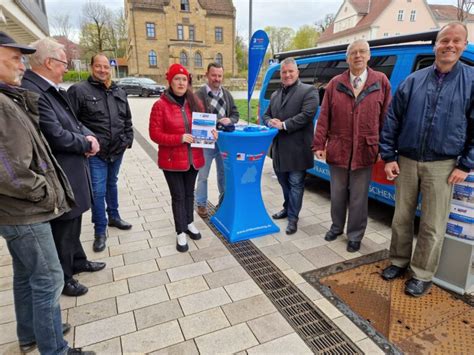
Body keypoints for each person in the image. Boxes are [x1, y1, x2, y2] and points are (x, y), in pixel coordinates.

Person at [0, 32, 93, 355]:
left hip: (20, 208)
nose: (21, 63)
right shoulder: (3, 104)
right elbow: (11, 171)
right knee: (49, 278)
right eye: (14, 57)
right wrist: (46, 194)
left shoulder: (10, 96)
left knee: (26, 275)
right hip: (25, 210)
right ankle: (55, 348)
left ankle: (31, 333)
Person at [379, 22, 474, 297]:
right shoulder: (414, 80)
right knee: (401, 217)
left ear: (463, 45)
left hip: (443, 166)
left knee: (433, 224)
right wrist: (388, 156)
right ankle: (398, 261)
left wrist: (466, 163)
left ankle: (421, 274)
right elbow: (392, 120)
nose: (450, 45)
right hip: (406, 160)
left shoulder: (471, 81)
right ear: (436, 45)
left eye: (457, 41)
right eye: (445, 40)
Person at [22, 38, 106, 297]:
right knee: (64, 227)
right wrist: (84, 142)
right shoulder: (35, 92)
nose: (66, 69)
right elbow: (55, 134)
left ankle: (78, 261)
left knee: (75, 221)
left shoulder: (51, 89)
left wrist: (89, 137)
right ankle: (65, 277)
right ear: (49, 63)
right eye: (64, 63)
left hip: (73, 169)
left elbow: (73, 122)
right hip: (61, 172)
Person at [312, 39, 391, 252]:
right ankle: (336, 226)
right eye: (353, 52)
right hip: (339, 147)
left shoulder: (381, 81)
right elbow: (324, 116)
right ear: (347, 58)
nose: (357, 56)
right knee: (337, 193)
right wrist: (319, 143)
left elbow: (386, 118)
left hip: (366, 150)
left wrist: (386, 149)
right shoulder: (335, 83)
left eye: (362, 52)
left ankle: (355, 235)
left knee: (358, 196)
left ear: (368, 56)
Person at [68, 53, 134, 252]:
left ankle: (113, 216)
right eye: (99, 66)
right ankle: (100, 229)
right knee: (97, 190)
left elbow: (127, 120)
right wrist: (85, 144)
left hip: (117, 150)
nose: (103, 70)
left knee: (111, 184)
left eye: (106, 67)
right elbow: (71, 121)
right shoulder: (79, 91)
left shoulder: (118, 91)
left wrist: (127, 140)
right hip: (96, 153)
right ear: (91, 67)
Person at [149, 64, 216, 252]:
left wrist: (212, 133)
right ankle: (180, 232)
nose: (181, 82)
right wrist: (179, 138)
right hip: (172, 161)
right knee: (178, 196)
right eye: (177, 79)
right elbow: (154, 134)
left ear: (188, 82)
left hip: (193, 159)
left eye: (184, 79)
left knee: (189, 194)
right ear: (169, 81)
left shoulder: (195, 102)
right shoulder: (160, 105)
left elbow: (204, 126)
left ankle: (189, 223)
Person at [263, 57, 319, 235]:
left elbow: (307, 114)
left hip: (297, 150)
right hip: (279, 150)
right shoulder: (275, 94)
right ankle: (287, 208)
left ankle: (293, 218)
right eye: (284, 72)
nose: (287, 75)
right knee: (283, 183)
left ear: (297, 73)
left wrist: (283, 125)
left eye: (290, 71)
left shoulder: (309, 91)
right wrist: (270, 121)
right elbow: (265, 115)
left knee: (296, 184)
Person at [194, 62, 239, 217]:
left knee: (223, 174)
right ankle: (201, 203)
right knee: (203, 175)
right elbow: (193, 117)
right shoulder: (198, 95)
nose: (217, 78)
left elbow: (235, 114)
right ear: (207, 75)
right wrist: (211, 123)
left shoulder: (226, 94)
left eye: (220, 75)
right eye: (214, 75)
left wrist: (230, 121)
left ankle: (223, 201)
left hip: (223, 142)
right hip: (205, 143)